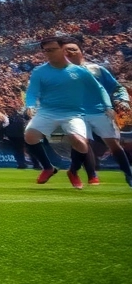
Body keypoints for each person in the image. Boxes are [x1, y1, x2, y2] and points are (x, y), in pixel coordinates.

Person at [22, 36, 111, 189]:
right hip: (47, 112)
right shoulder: (39, 71)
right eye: (46, 51)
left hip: (73, 114)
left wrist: (108, 106)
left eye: (53, 50)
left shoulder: (79, 71)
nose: (49, 53)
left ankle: (73, 171)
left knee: (81, 144)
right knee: (30, 136)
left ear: (63, 49)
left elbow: (99, 89)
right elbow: (32, 92)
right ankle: (48, 168)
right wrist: (29, 105)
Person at [63, 39, 132, 187]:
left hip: (99, 110)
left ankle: (128, 174)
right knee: (82, 143)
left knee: (113, 144)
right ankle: (80, 172)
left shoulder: (96, 69)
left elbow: (116, 87)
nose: (70, 52)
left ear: (81, 51)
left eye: (73, 48)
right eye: (66, 50)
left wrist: (122, 100)